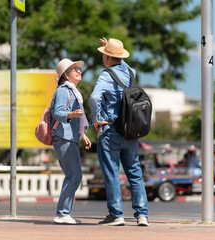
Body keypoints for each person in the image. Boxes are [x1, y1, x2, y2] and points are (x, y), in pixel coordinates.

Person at [90, 38, 149, 226]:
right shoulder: (131, 72)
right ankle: (142, 215)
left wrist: (96, 119)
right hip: (130, 131)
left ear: (106, 56)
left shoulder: (106, 76)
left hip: (111, 131)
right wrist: (115, 50)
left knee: (111, 173)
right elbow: (122, 63)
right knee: (134, 172)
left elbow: (94, 97)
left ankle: (117, 214)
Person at [51, 58, 92, 224]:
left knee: (73, 174)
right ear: (66, 75)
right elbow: (57, 113)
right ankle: (62, 213)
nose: (79, 71)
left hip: (70, 136)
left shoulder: (73, 91)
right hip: (63, 136)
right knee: (74, 174)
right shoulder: (63, 90)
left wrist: (82, 134)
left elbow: (76, 117)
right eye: (74, 69)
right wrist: (71, 115)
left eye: (78, 69)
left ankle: (63, 213)